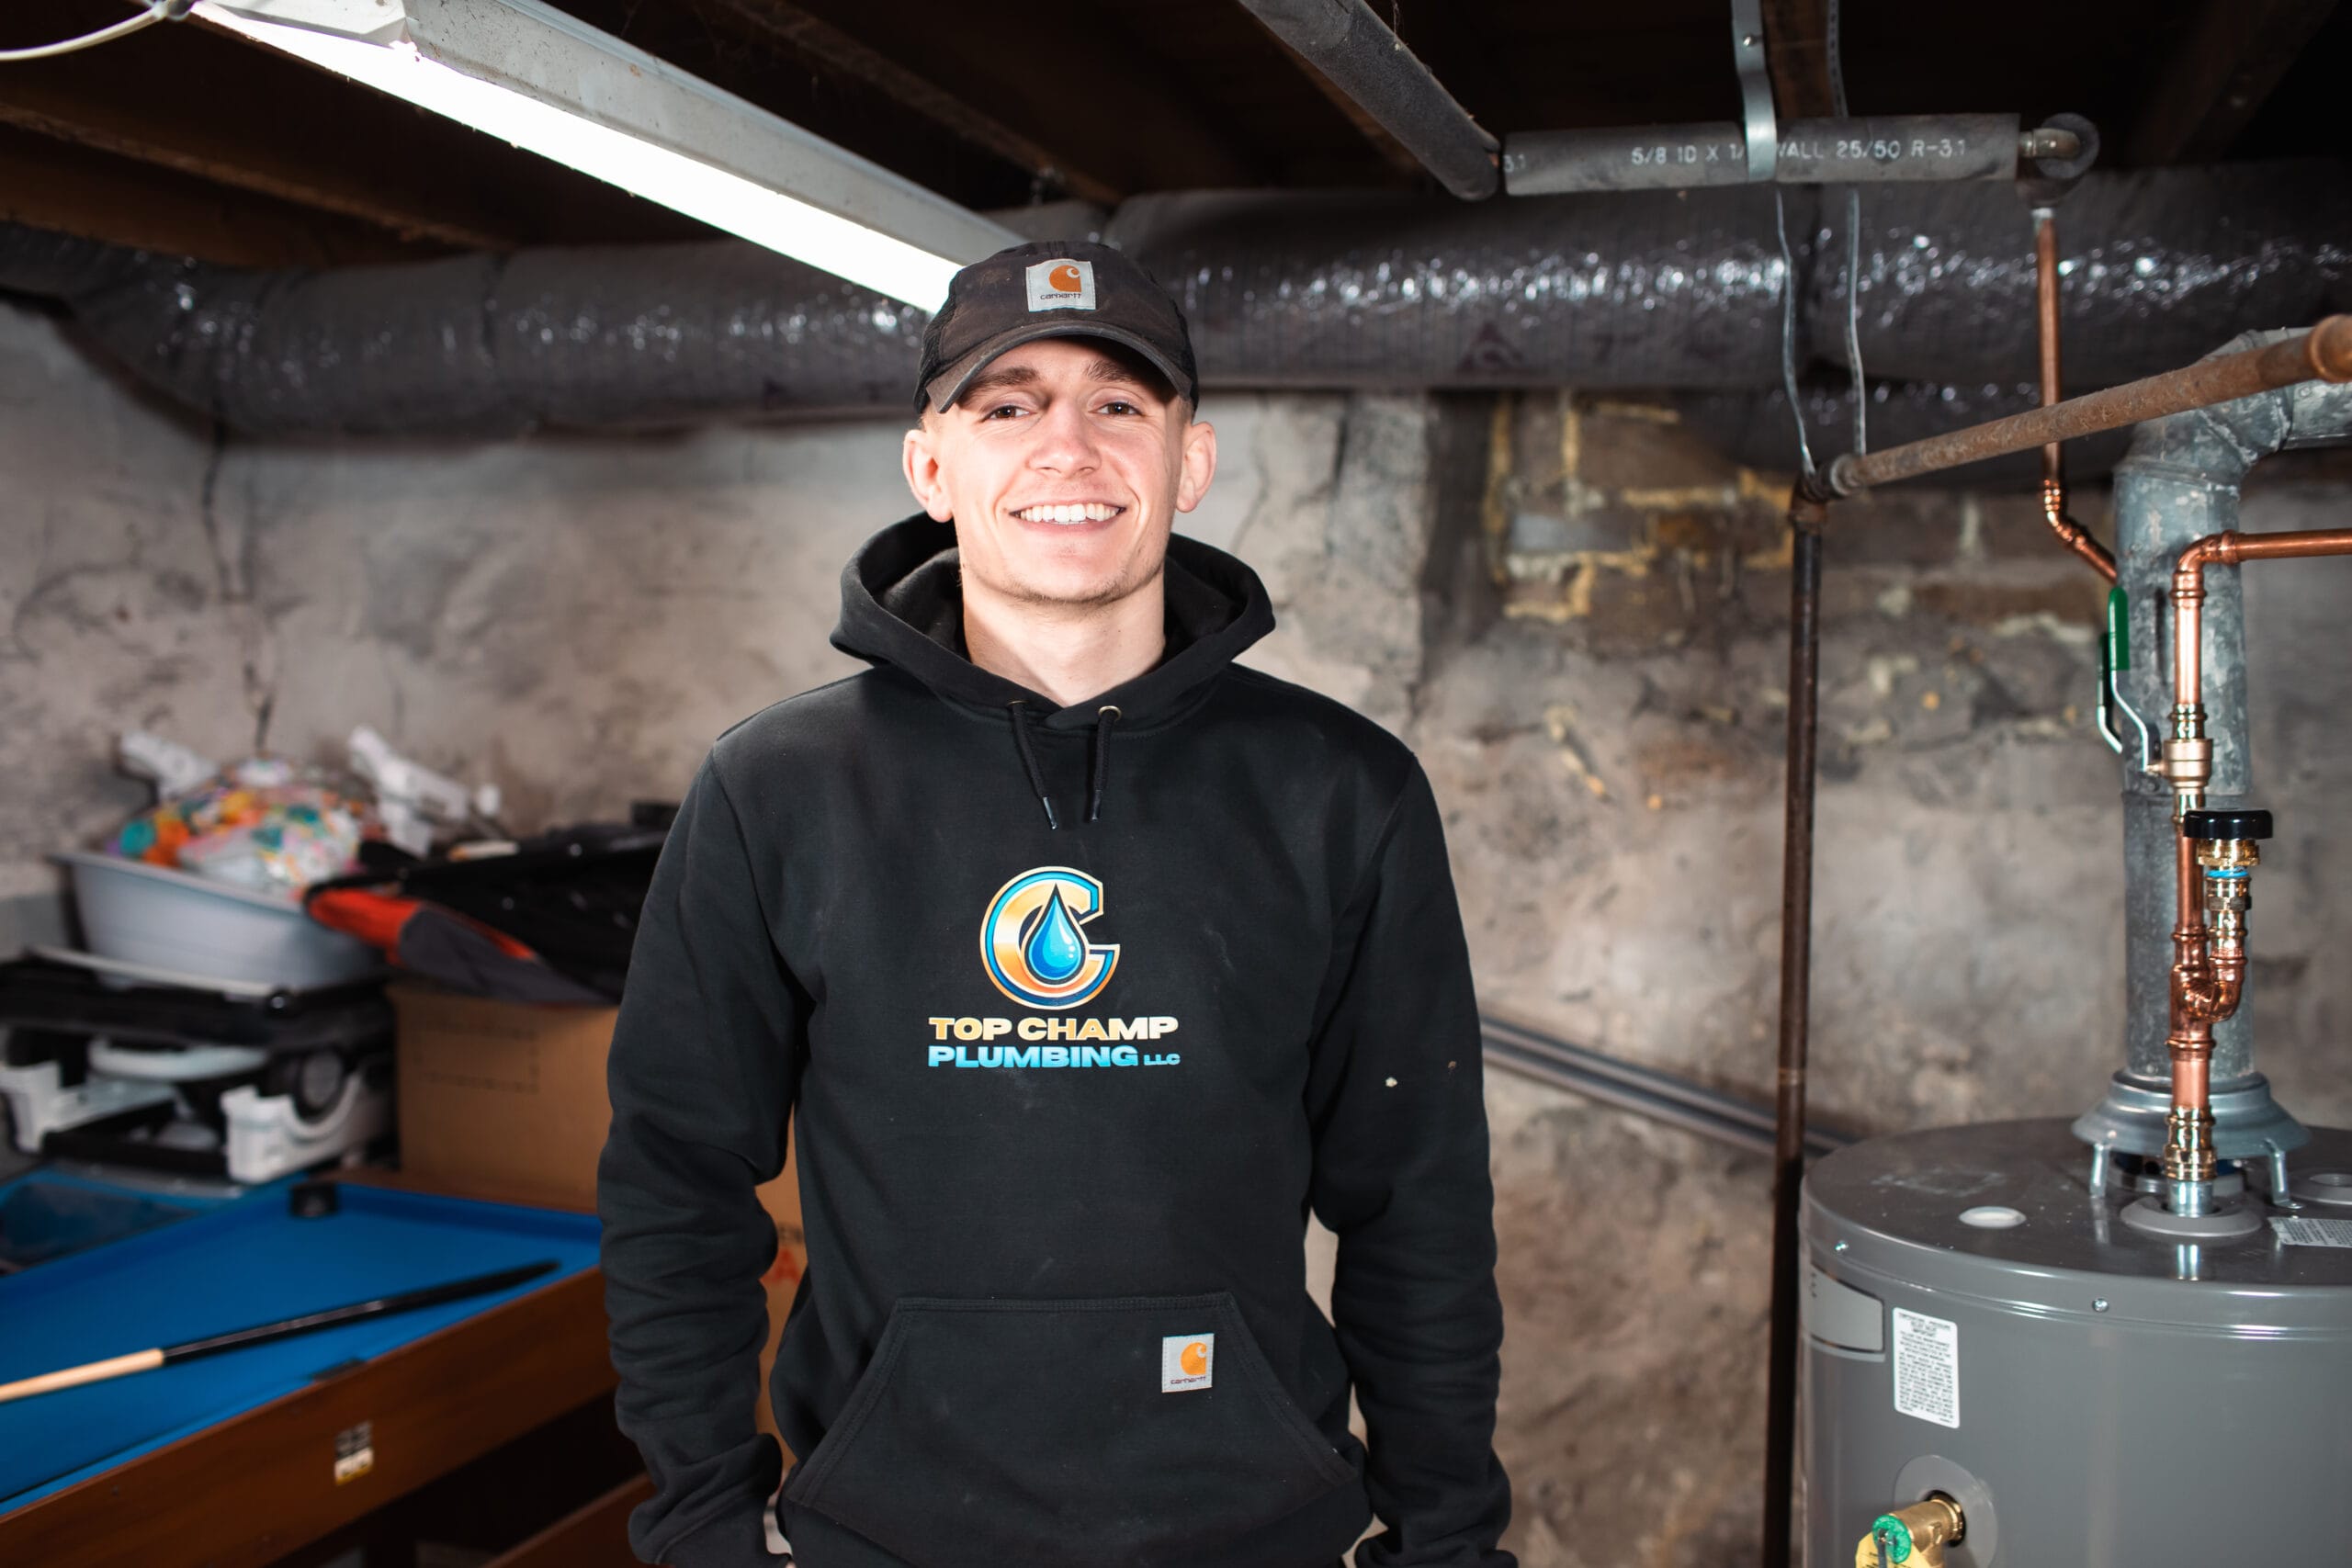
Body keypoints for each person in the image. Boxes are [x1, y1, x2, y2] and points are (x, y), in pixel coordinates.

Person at [597, 240, 1513, 1568]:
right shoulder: (777, 789)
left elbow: (1418, 1203)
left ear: (1190, 462)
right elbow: (674, 1177)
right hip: (884, 1535)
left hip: (1251, 1529)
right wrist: (703, 1526)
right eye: (1008, 406)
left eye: (1119, 403)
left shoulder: (1339, 789)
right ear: (930, 467)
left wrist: (1447, 1541)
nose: (1067, 450)